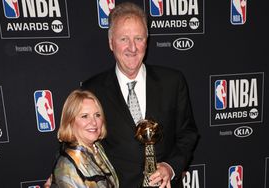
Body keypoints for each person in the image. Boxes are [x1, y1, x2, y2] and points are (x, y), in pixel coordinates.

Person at [81, 2, 199, 188]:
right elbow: (79, 142)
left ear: (147, 40)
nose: (132, 48)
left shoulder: (172, 82)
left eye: (138, 38)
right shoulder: (92, 90)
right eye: (123, 39)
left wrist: (170, 166)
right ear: (111, 42)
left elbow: (188, 134)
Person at [50, 89, 119, 188]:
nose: (94, 122)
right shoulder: (67, 167)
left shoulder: (97, 148)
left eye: (97, 115)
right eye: (85, 116)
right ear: (70, 121)